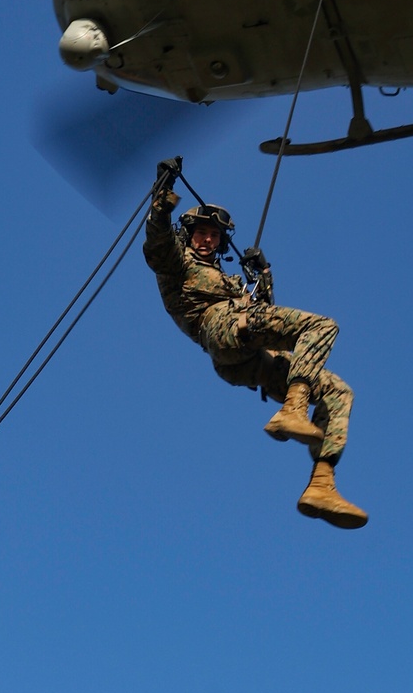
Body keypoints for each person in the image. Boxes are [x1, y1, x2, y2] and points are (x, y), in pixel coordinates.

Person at [143, 159, 367, 530]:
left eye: (214, 235)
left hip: (246, 359)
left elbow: (267, 314)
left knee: (338, 391)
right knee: (322, 326)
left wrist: (262, 277)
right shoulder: (177, 264)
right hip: (220, 331)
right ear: (190, 234)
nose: (208, 239)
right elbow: (157, 243)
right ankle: (293, 409)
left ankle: (321, 484)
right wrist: (162, 197)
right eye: (201, 232)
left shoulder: (227, 278)